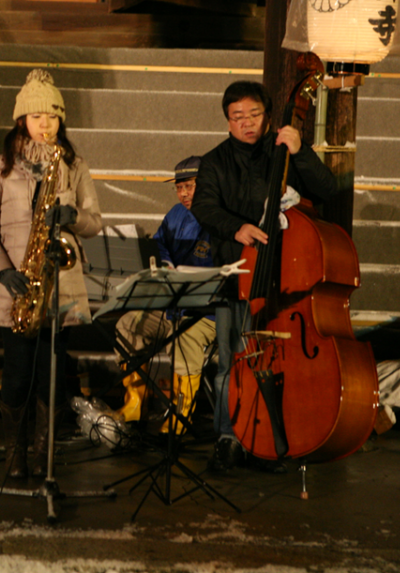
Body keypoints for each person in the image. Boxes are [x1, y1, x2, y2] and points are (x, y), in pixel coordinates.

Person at [191, 80, 337, 473]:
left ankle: (273, 438)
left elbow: (327, 189)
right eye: (238, 117)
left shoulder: (284, 151)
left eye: (254, 114)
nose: (247, 123)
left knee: (281, 363)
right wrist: (237, 228)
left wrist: (301, 152)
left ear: (268, 116)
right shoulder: (215, 161)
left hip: (286, 281)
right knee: (231, 364)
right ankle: (229, 436)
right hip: (238, 277)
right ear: (227, 122)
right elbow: (204, 207)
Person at [0, 69, 102, 478]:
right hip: (18, 284)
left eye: (53, 117)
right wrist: (2, 271)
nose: (46, 124)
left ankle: (44, 457)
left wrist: (73, 216)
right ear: (21, 120)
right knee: (17, 374)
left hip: (61, 285)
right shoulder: (0, 166)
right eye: (37, 116)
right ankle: (15, 457)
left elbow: (94, 222)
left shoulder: (73, 165)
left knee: (52, 376)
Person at [113, 155, 217, 434]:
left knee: (184, 337)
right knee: (127, 326)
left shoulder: (220, 217)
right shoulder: (175, 215)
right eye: (179, 188)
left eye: (189, 186)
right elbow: (159, 246)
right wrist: (164, 264)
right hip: (170, 307)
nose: (183, 194)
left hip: (205, 313)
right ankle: (136, 403)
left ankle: (180, 416)